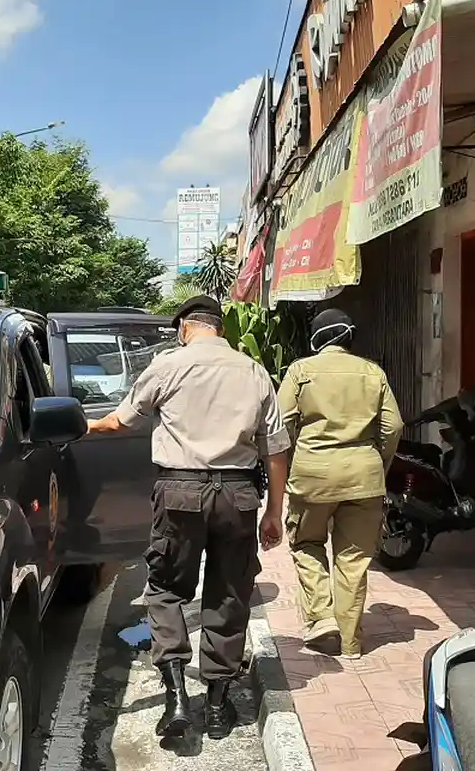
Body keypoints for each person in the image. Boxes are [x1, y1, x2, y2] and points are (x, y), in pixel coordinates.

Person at [86, 295, 291, 742]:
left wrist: (89, 426)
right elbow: (275, 447)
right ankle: (217, 707)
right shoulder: (253, 371)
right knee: (229, 591)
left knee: (164, 589)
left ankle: (177, 696)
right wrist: (273, 511)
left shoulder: (167, 365)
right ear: (219, 328)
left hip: (179, 491)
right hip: (239, 494)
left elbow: (123, 422)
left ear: (183, 328)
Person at [276, 307, 403, 660]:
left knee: (306, 544)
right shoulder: (372, 372)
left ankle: (321, 618)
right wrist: (378, 462)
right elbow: (393, 427)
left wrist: (293, 462)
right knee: (353, 560)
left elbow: (282, 423)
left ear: (317, 338)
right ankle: (350, 644)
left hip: (312, 477)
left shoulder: (301, 371)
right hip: (365, 477)